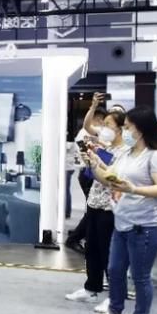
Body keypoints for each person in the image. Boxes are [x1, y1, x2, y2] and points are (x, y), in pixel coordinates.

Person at [90, 106, 157, 314]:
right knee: (115, 271)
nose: (124, 131)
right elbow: (110, 178)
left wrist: (133, 189)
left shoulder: (156, 157)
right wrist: (94, 163)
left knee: (140, 276)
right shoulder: (126, 154)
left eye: (127, 127)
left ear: (141, 129)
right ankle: (114, 312)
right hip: (123, 223)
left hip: (145, 227)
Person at [65, 109, 127, 307]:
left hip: (111, 206)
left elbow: (113, 179)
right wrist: (90, 160)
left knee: (109, 250)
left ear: (120, 129)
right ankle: (91, 287)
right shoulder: (104, 147)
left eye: (108, 125)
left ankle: (115, 295)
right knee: (91, 247)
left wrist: (95, 163)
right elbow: (95, 175)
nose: (104, 128)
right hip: (94, 201)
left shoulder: (125, 152)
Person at [65, 99, 107, 252]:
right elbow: (85, 153)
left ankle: (83, 237)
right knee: (93, 209)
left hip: (95, 172)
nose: (103, 124)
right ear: (97, 118)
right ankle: (75, 238)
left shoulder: (97, 134)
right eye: (103, 120)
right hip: (89, 172)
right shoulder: (84, 134)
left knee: (94, 209)